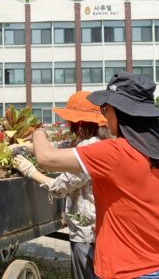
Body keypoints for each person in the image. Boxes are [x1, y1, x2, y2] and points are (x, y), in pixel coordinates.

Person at [15, 72, 159, 279]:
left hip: (123, 271)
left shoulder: (114, 153)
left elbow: (46, 158)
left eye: (105, 108)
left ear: (120, 112)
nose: (104, 115)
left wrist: (37, 131)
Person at [13, 91, 109, 279]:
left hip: (88, 232)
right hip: (89, 228)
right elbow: (56, 149)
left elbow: (61, 186)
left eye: (69, 120)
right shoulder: (87, 142)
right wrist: (22, 147)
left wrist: (31, 172)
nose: (67, 124)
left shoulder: (89, 147)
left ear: (79, 123)